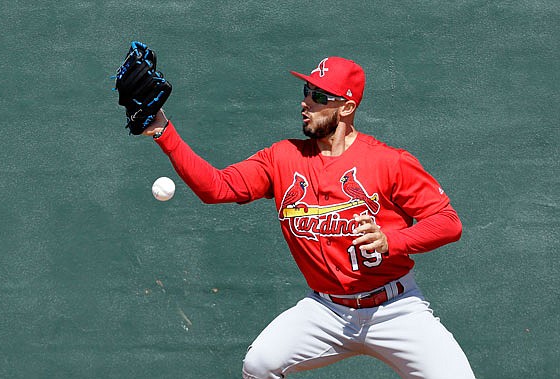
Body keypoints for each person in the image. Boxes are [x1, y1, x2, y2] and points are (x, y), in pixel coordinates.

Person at [142, 57, 476, 379]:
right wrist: (163, 130)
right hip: (326, 310)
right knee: (260, 364)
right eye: (305, 92)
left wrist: (393, 240)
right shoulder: (283, 157)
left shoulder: (390, 162)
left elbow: (448, 222)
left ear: (346, 107)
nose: (306, 102)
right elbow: (216, 188)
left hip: (395, 308)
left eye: (319, 96)